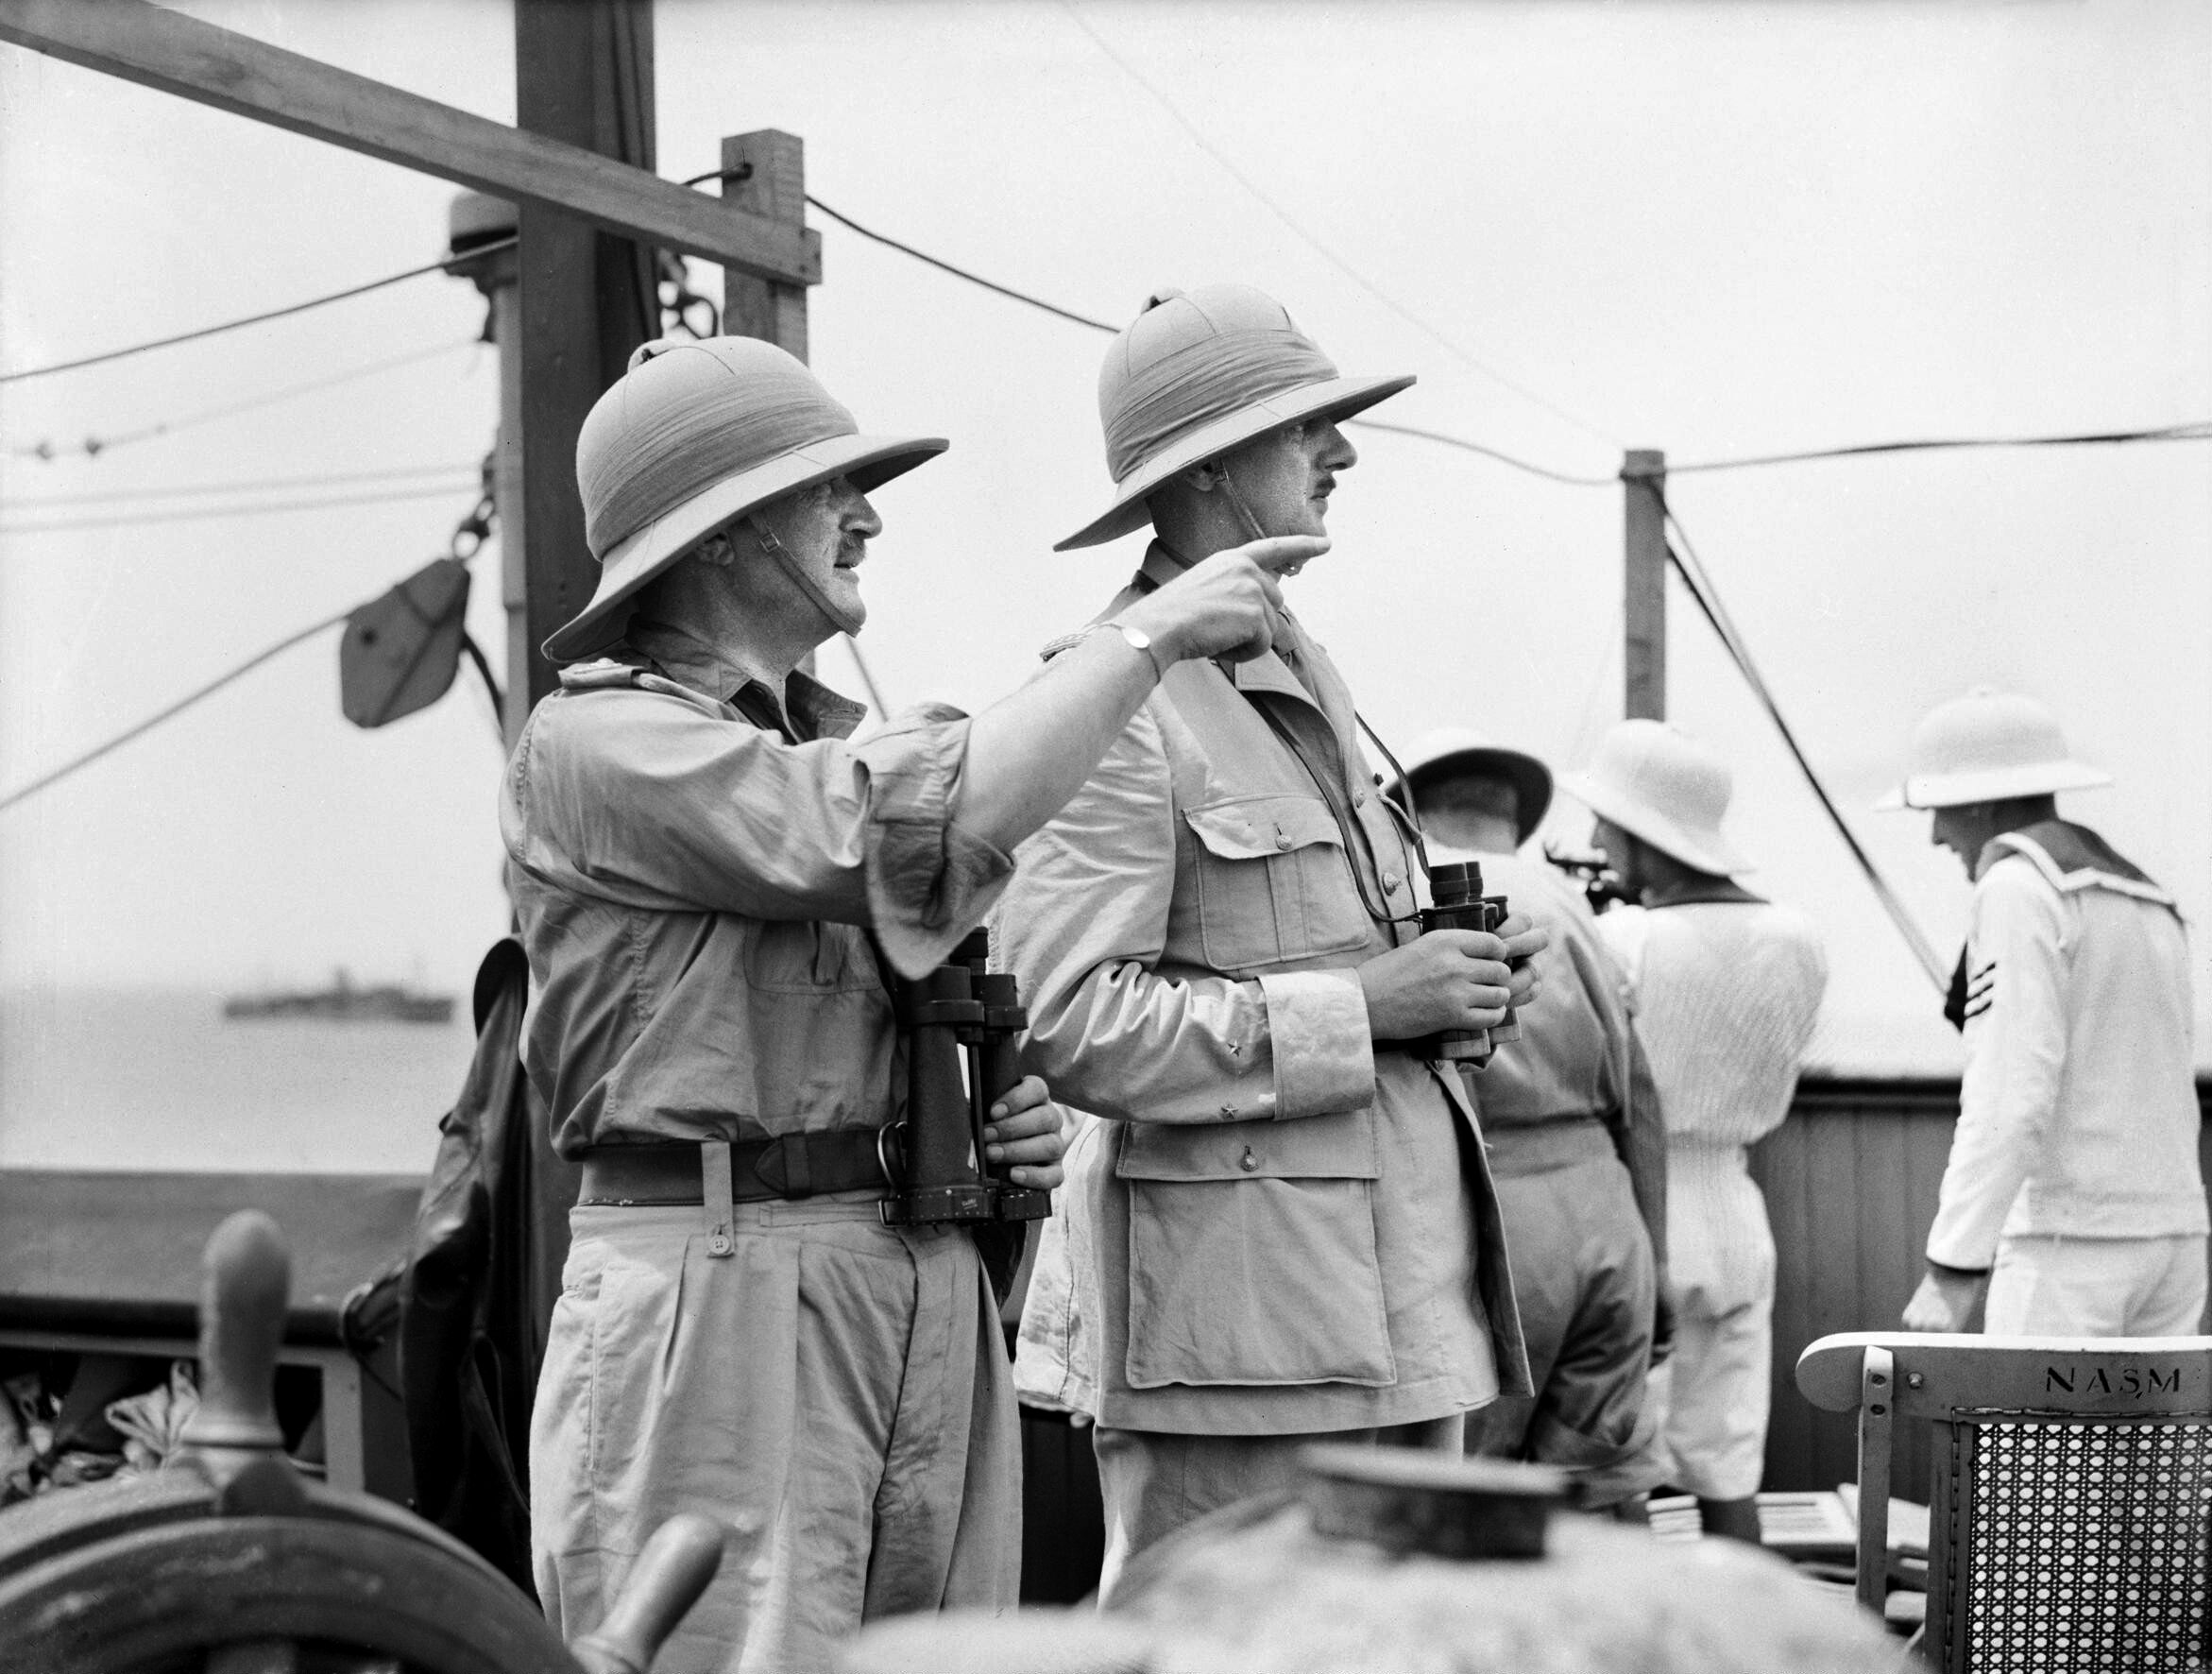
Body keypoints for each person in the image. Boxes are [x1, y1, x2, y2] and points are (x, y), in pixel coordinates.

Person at [505, 333, 1321, 1672]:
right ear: (714, 536)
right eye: (828, 489)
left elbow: (934, 877)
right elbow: (877, 833)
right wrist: (1149, 634)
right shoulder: (597, 746)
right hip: (721, 1297)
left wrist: (1006, 1141)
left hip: (911, 1279)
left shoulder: (837, 746)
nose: (867, 515)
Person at [995, 284, 1545, 1599]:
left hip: (1393, 1316)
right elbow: (1067, 1020)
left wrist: (1446, 987)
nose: (1341, 455)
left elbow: (1323, 960)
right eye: (1307, 429)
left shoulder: (1295, 672)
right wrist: (1369, 1007)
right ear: (1206, 470)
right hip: (1239, 1356)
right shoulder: (1112, 697)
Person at [1560, 719, 1826, 1544]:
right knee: (1727, 1468)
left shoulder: (1624, 940)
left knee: (1622, 1471)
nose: (1598, 842)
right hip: (1738, 1214)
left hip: (1645, 1210)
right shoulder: (1798, 938)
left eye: (1609, 825)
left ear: (1645, 832)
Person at [1392, 728, 1671, 1512]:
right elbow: (1641, 1097)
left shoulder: (1416, 900)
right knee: (1603, 1497)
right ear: (1513, 817)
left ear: (1408, 813)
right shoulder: (1575, 906)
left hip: (1492, 1216)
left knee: (1468, 1502)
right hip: (1606, 1213)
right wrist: (1657, 1253)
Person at [1884, 688, 2206, 1338]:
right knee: (2158, 1447)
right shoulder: (2147, 895)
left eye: (1938, 808)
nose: (1935, 834)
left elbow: (2009, 1096)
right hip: (2174, 1236)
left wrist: (1952, 1268)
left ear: (1979, 799)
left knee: (2029, 1444)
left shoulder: (2015, 889)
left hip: (2070, 1249)